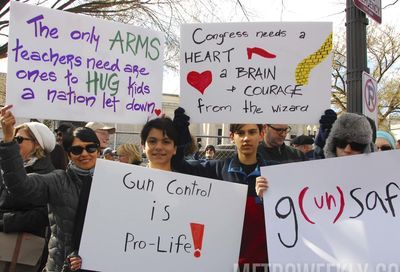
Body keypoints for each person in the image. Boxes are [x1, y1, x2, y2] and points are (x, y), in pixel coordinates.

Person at [0, 105, 100, 272]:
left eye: (90, 148)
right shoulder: (58, 180)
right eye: (76, 149)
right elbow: (20, 187)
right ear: (69, 154)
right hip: (61, 266)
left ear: (98, 150)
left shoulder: (113, 181)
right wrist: (9, 139)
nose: (84, 153)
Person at [0, 121, 56, 272]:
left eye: (18, 139)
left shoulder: (47, 175)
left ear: (37, 144)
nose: (13, 143)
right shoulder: (6, 168)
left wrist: (4, 221)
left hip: (20, 250)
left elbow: (41, 214)